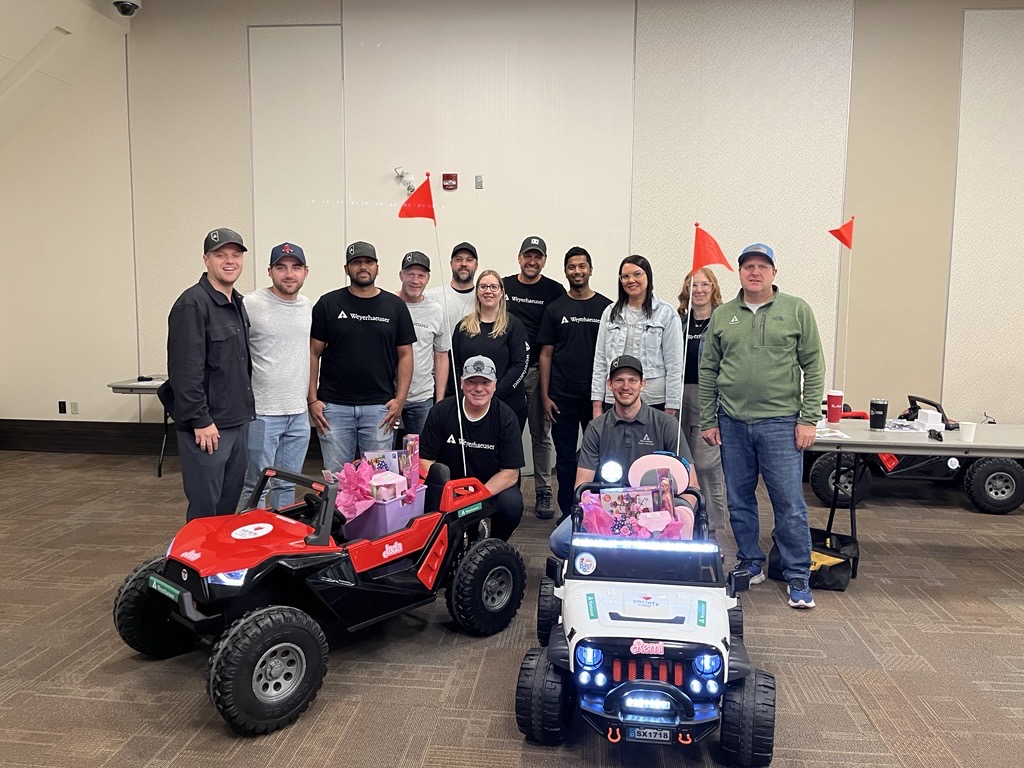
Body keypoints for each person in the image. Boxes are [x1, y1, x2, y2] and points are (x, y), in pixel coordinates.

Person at [699, 242, 825, 610]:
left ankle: (798, 575)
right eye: (748, 266)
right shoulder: (724, 315)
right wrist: (709, 418)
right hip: (732, 422)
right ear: (739, 273)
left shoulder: (796, 310)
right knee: (739, 499)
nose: (755, 272)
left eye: (762, 266)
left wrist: (808, 419)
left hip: (782, 424)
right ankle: (750, 562)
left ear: (773, 272)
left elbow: (813, 366)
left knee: (789, 503)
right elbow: (708, 369)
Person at [550, 355, 698, 558]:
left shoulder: (667, 425)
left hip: (657, 514)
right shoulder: (596, 428)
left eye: (632, 380)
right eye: (619, 380)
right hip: (609, 509)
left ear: (643, 384)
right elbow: (581, 487)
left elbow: (693, 486)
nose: (625, 386)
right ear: (609, 385)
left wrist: (673, 517)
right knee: (560, 541)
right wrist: (602, 515)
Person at [159, 227, 255, 521]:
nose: (229, 261)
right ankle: (194, 566)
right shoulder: (192, 304)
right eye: (220, 255)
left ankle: (219, 564)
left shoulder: (236, 302)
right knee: (205, 510)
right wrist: (200, 419)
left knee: (226, 509)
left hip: (236, 421)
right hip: (208, 428)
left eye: (235, 255)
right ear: (206, 260)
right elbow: (184, 372)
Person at [308, 241, 416, 470]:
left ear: (377, 267)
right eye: (356, 262)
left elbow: (406, 355)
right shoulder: (328, 304)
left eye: (368, 262)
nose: (363, 267)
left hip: (380, 409)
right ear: (347, 269)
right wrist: (312, 399)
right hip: (334, 408)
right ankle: (337, 510)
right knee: (337, 480)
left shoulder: (395, 306)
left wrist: (400, 400)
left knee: (379, 482)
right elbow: (313, 353)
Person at [537, 246, 612, 520]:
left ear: (590, 269)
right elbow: (545, 354)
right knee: (566, 460)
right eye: (572, 267)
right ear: (565, 271)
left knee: (600, 459)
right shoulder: (555, 308)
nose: (577, 271)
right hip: (562, 397)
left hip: (597, 398)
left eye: (582, 266)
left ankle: (597, 513)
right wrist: (544, 396)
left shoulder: (606, 307)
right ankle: (569, 512)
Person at [240, 242, 313, 509]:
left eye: (295, 267)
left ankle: (279, 538)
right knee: (256, 484)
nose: (289, 274)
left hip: (298, 412)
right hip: (262, 412)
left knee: (287, 483)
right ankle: (250, 540)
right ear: (270, 271)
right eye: (281, 267)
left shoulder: (307, 306)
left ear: (306, 272)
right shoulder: (250, 304)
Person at [420, 355, 525, 541]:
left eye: (485, 382)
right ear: (461, 383)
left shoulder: (507, 418)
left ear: (494, 384)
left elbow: (510, 473)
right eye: (471, 381)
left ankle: (493, 544)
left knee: (512, 505)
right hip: (450, 487)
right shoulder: (441, 411)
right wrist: (451, 490)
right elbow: (426, 460)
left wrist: (476, 496)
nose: (478, 388)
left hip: (488, 488)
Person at [504, 236, 565, 519]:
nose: (532, 261)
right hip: (508, 371)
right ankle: (508, 488)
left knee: (541, 435)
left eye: (537, 256)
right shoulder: (504, 286)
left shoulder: (554, 290)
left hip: (539, 372)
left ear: (544, 260)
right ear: (519, 258)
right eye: (527, 255)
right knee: (508, 434)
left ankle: (543, 492)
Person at [591, 255, 682, 418]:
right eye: (625, 276)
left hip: (653, 399)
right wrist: (597, 402)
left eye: (637, 274)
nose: (631, 280)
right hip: (615, 398)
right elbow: (600, 361)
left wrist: (672, 404)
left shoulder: (666, 314)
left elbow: (675, 365)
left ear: (648, 275)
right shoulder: (610, 313)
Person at [677, 268, 727, 530]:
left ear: (713, 289)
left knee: (707, 466)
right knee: (681, 463)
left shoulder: (723, 321)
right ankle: (684, 522)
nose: (699, 290)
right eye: (693, 284)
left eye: (704, 284)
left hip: (710, 398)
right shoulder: (679, 322)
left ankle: (712, 527)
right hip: (680, 396)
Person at [451, 270, 530, 428]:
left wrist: (493, 393)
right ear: (477, 292)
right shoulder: (463, 326)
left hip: (507, 404)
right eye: (483, 287)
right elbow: (455, 364)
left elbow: (521, 365)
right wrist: (467, 395)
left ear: (502, 292)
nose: (488, 291)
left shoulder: (514, 326)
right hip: (471, 404)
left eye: (494, 287)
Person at [396, 250, 450, 437]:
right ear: (401, 275)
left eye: (421, 275)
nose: (415, 280)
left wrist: (439, 399)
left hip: (422, 398)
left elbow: (441, 355)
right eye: (410, 274)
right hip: (387, 397)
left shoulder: (436, 311)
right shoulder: (388, 304)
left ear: (428, 278)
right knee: (381, 457)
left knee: (421, 458)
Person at [425, 241, 479, 341]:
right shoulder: (431, 296)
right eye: (458, 259)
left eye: (469, 260)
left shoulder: (483, 298)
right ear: (451, 264)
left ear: (476, 265)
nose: (463, 264)